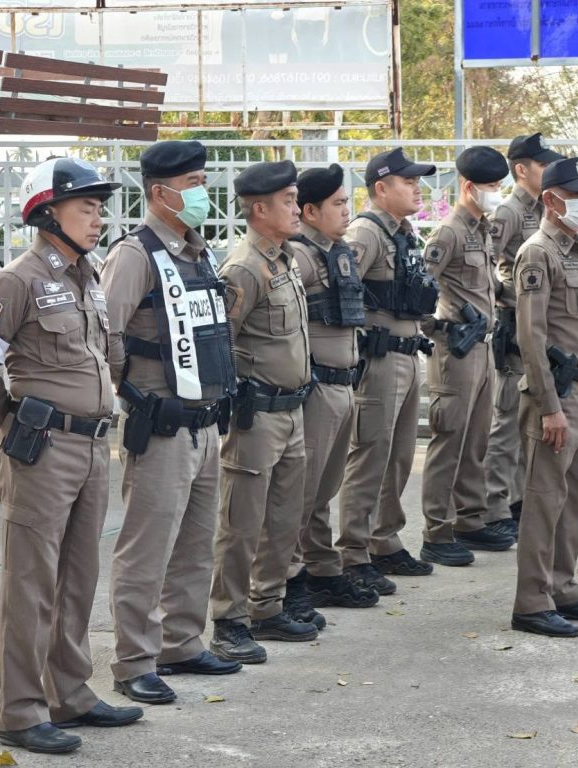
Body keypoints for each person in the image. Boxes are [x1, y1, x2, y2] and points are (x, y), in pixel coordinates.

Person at [0, 158, 141, 753]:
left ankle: (70, 694)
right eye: (86, 207)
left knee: (78, 579)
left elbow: (106, 356)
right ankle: (19, 712)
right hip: (41, 449)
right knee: (31, 584)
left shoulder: (90, 277)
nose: (98, 218)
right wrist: (13, 421)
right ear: (46, 211)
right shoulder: (17, 280)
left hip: (92, 446)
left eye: (99, 208)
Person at [101, 140, 241, 706]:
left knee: (196, 544)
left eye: (203, 181)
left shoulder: (196, 252)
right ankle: (134, 661)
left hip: (205, 425)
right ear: (160, 193)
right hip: (160, 425)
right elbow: (104, 335)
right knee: (147, 549)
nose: (204, 193)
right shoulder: (135, 254)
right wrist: (131, 393)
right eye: (193, 184)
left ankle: (181, 643)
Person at [209, 160, 320, 660]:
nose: (297, 209)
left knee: (285, 518)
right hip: (256, 415)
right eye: (289, 201)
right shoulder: (243, 268)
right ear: (259, 209)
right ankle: (228, 619)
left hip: (292, 410)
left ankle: (267, 606)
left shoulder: (284, 260)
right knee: (241, 523)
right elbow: (221, 344)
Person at [511, 157, 578, 638]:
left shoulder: (573, 252)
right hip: (553, 400)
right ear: (551, 200)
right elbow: (531, 338)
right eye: (577, 195)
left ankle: (562, 587)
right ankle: (532, 602)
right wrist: (550, 406)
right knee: (543, 499)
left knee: (570, 498)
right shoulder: (538, 253)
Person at [335, 148, 439, 593]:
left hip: (408, 353)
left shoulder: (402, 232)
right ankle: (353, 551)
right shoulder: (366, 232)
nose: (417, 188)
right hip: (379, 359)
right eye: (408, 181)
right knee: (370, 456)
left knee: (398, 457)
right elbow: (342, 294)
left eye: (417, 181)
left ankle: (384, 540)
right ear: (381, 187)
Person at [282, 164, 378, 625]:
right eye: (338, 204)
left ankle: (321, 568)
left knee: (323, 489)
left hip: (343, 382)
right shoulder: (298, 258)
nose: (346, 211)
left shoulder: (336, 252)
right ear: (310, 212)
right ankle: (284, 581)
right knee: (298, 496)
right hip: (316, 387)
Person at [419, 146, 513, 566]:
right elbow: (420, 291)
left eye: (500, 185)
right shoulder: (449, 233)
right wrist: (440, 329)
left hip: (483, 346)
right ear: (468, 186)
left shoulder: (482, 230)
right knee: (450, 441)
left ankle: (470, 519)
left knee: (476, 439)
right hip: (455, 350)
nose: (497, 192)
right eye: (491, 186)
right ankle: (436, 532)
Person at [484, 133, 563, 539]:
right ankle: (493, 507)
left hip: (537, 324)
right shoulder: (510, 211)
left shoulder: (540, 207)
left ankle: (515, 501)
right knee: (506, 420)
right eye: (542, 164)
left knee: (525, 419)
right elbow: (483, 262)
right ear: (521, 169)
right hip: (515, 324)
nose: (548, 170)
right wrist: (505, 295)